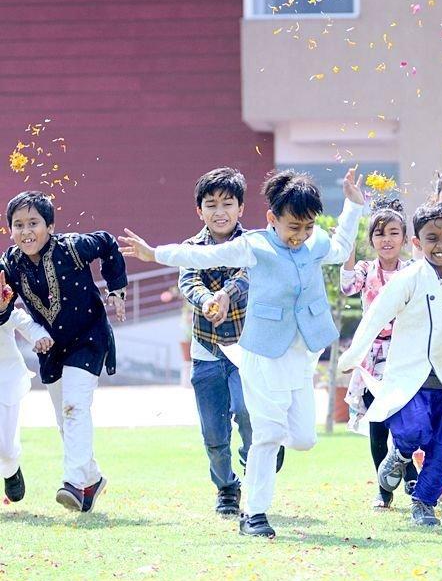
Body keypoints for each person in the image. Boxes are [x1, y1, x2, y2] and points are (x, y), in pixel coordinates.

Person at [118, 167, 364, 537]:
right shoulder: (255, 245)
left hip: (302, 353)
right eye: (293, 228)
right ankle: (255, 514)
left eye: (307, 227)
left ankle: (268, 438)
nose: (300, 237)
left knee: (304, 440)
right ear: (271, 219)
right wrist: (154, 254)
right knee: (265, 435)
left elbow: (343, 247)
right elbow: (203, 256)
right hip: (263, 353)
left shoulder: (314, 244)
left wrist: (353, 205)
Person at [339, 202, 442, 526]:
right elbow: (375, 317)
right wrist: (352, 356)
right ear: (417, 242)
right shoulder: (407, 279)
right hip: (407, 381)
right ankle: (398, 455)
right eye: (432, 238)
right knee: (414, 430)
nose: (441, 245)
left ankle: (423, 505)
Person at [0, 191, 128, 513]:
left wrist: (116, 288)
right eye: (18, 225)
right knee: (65, 418)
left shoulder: (71, 247)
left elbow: (107, 243)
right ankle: (91, 480)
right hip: (53, 349)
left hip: (88, 336)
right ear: (10, 231)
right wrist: (2, 308)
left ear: (50, 226)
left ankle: (72, 481)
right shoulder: (9, 264)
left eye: (34, 223)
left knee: (74, 406)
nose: (26, 231)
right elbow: (3, 309)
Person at [179, 167, 262, 517]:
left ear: (240, 207)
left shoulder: (255, 243)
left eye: (227, 203)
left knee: (247, 412)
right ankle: (227, 488)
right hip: (207, 351)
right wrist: (206, 301)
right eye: (211, 205)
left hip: (247, 349)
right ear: (200, 211)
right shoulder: (191, 248)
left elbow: (249, 275)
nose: (219, 211)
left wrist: (226, 295)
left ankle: (257, 462)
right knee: (213, 434)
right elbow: (189, 282)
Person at [341, 195, 418, 508]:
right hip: (372, 358)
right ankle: (383, 491)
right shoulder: (364, 269)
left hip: (404, 355)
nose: (387, 240)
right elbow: (347, 286)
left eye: (393, 233)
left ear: (403, 238)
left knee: (405, 420)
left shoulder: (414, 270)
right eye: (379, 234)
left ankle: (410, 470)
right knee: (377, 427)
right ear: (371, 239)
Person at [0, 304, 52, 503]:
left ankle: (11, 469)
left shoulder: (3, 304)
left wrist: (40, 336)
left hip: (6, 378)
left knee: (4, 446)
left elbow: (24, 321)